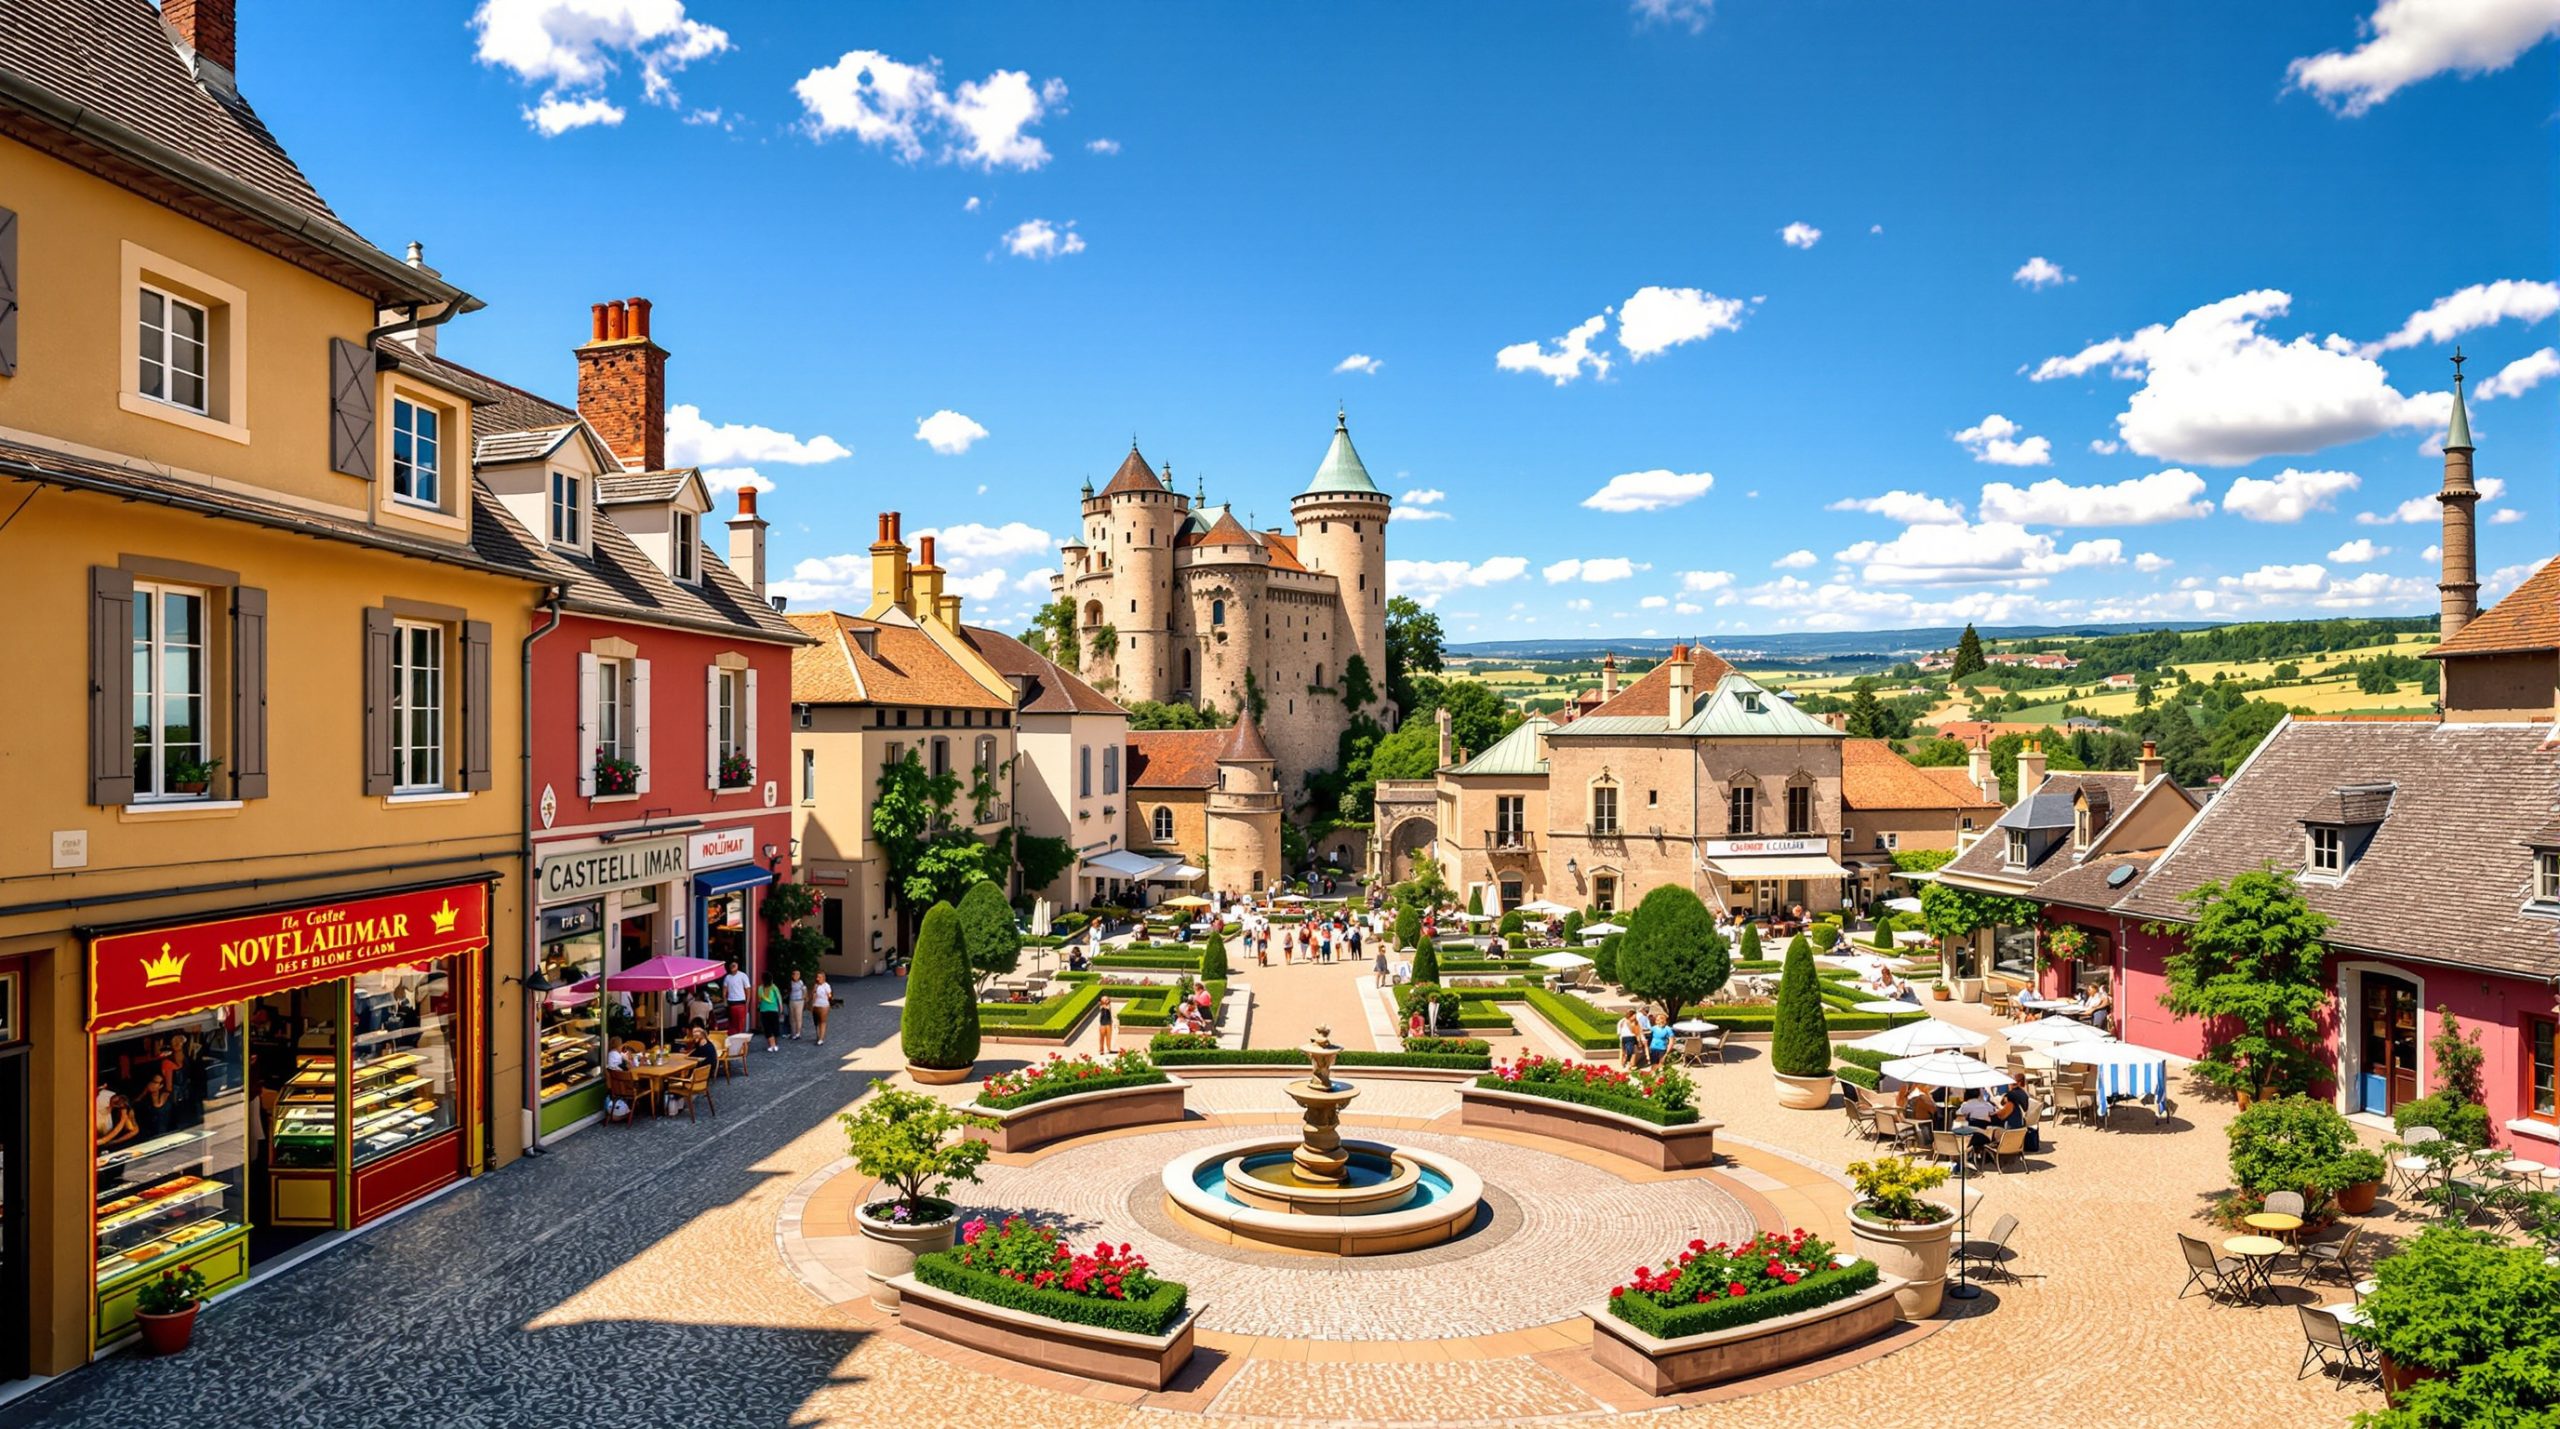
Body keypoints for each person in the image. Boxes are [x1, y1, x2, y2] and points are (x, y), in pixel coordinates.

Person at [721, 959, 750, 1037]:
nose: (732, 967)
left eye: (734, 965)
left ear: (737, 966)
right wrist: (725, 1001)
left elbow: (748, 990)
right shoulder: (727, 977)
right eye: (731, 965)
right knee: (732, 1023)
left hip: (741, 1002)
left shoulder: (743, 976)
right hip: (731, 1003)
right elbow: (724, 990)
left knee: (740, 1023)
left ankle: (740, 1037)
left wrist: (747, 1002)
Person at [757, 976, 784, 1052]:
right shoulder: (774, 988)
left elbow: (759, 1000)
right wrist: (781, 1008)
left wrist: (758, 1006)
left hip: (764, 1010)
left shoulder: (760, 988)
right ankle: (774, 1044)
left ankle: (772, 1045)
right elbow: (779, 998)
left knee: (767, 1028)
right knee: (774, 1027)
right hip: (773, 1010)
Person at [810, 970, 833, 1047]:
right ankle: (819, 1036)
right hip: (816, 1005)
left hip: (824, 1006)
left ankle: (821, 1038)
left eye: (819, 977)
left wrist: (830, 1003)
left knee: (822, 1022)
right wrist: (812, 1005)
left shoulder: (826, 986)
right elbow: (813, 995)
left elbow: (829, 995)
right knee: (817, 1022)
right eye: (817, 977)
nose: (818, 978)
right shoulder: (816, 985)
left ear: (823, 978)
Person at [787, 969, 808, 1041]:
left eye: (798, 974)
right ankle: (793, 1032)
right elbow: (789, 991)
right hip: (792, 1000)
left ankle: (798, 1033)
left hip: (799, 1001)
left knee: (798, 1017)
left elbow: (805, 990)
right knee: (792, 1017)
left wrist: (804, 998)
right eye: (795, 974)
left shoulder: (801, 982)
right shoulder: (790, 982)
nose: (796, 976)